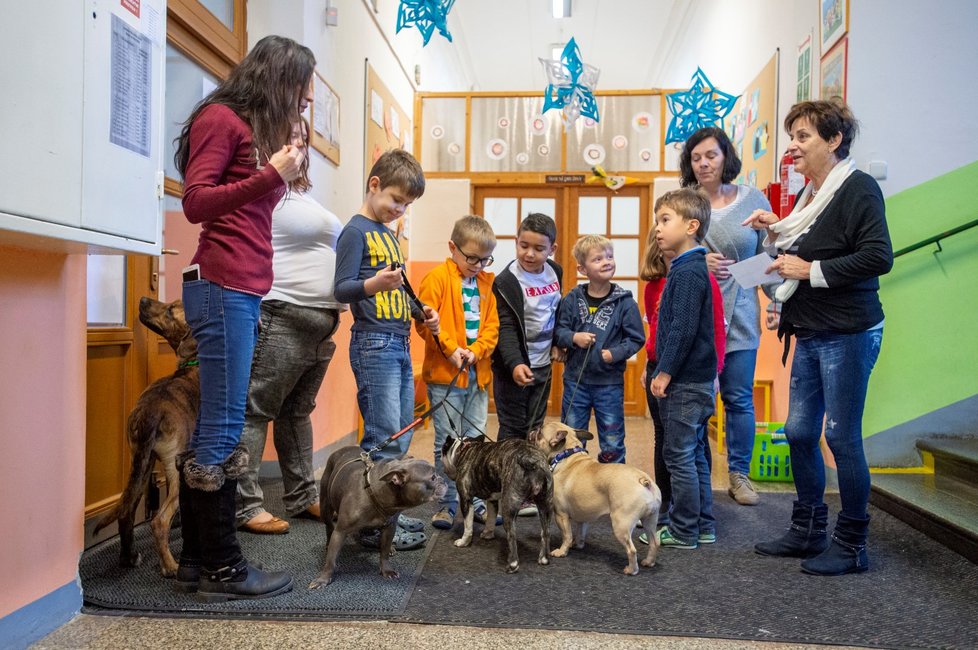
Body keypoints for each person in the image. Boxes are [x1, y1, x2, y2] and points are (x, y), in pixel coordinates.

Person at [173, 35, 315, 601]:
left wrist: (286, 165)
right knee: (225, 429)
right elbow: (196, 202)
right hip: (222, 287)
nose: (303, 106)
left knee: (217, 425)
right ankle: (224, 570)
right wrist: (273, 174)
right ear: (278, 81)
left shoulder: (254, 133)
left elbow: (250, 200)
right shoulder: (221, 119)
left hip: (239, 290)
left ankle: (194, 562)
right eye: (301, 96)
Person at [746, 100, 892, 576]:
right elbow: (796, 253)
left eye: (803, 136)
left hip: (848, 331)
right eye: (792, 136)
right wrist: (776, 234)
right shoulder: (810, 197)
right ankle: (808, 530)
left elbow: (877, 257)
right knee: (799, 431)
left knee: (841, 437)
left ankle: (852, 545)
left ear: (833, 141)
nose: (792, 146)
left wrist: (811, 269)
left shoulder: (858, 188)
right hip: (808, 330)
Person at [234, 119, 345, 536]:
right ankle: (243, 505)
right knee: (255, 408)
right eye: (290, 137)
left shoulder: (302, 195)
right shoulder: (261, 185)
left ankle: (301, 497)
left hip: (319, 323)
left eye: (303, 139)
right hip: (281, 312)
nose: (299, 146)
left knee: (297, 412)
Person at [334, 148, 440, 551]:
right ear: (374, 185)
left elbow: (402, 289)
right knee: (380, 437)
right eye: (397, 200)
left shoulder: (390, 235)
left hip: (398, 341)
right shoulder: (355, 231)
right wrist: (373, 285)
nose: (400, 210)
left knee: (398, 436)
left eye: (407, 205)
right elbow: (341, 288)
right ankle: (365, 521)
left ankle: (385, 515)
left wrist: (421, 311)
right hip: (373, 342)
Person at [679, 126, 776, 507]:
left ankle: (740, 474)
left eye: (710, 155)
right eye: (696, 157)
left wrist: (776, 301)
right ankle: (698, 472)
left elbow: (771, 251)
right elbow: (667, 251)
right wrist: (700, 260)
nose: (703, 163)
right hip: (699, 314)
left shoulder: (753, 198)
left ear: (726, 157)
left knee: (738, 397)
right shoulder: (686, 201)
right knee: (698, 396)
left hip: (741, 314)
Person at [638, 230, 726, 541]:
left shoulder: (690, 275)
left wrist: (712, 371)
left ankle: (684, 527)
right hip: (665, 371)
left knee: (682, 454)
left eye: (666, 220)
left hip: (684, 378)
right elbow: (658, 330)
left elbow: (693, 330)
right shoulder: (661, 282)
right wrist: (653, 366)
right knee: (683, 450)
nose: (660, 231)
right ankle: (699, 524)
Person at [416, 215, 500, 530]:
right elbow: (425, 325)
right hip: (444, 377)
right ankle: (448, 502)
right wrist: (452, 351)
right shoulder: (436, 278)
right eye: (471, 258)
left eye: (485, 259)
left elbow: (492, 327)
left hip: (478, 376)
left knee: (474, 440)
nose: (478, 265)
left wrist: (476, 351)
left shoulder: (487, 284)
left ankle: (475, 501)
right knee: (448, 441)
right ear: (453, 247)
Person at [554, 235, 645, 464]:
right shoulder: (572, 299)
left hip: (609, 385)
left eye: (610, 256)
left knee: (612, 440)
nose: (606, 262)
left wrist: (615, 353)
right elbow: (559, 331)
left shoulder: (625, 303)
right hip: (576, 381)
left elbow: (636, 339)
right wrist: (574, 337)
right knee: (572, 438)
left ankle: (612, 485)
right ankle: (573, 487)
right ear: (582, 268)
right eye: (598, 259)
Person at [491, 213, 563, 441]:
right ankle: (507, 475)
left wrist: (559, 342)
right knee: (513, 428)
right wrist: (515, 363)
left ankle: (531, 476)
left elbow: (556, 311)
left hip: (543, 364)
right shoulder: (506, 282)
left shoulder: (555, 272)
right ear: (516, 242)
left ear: (552, 248)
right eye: (524, 246)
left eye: (539, 249)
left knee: (535, 428)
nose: (529, 254)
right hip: (513, 367)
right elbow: (506, 327)